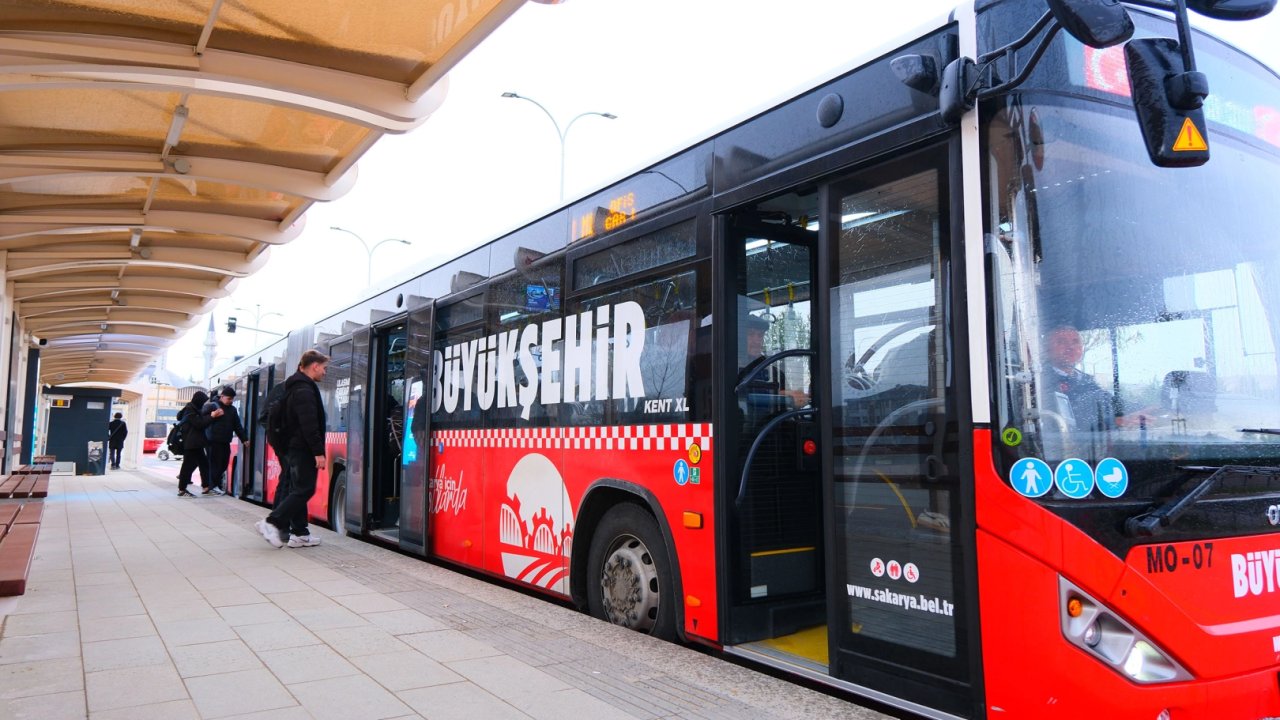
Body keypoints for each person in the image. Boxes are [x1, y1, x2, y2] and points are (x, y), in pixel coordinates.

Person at [257, 349, 329, 549]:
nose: (325, 372)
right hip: (302, 448)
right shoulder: (304, 390)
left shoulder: (293, 386)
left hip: (293, 447)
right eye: (324, 368)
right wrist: (318, 452)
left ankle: (299, 534)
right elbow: (309, 424)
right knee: (304, 489)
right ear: (314, 366)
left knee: (298, 488)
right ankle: (272, 523)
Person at [1043, 325, 1118, 432]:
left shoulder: (1087, 380)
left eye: (1075, 342)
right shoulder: (1040, 381)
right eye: (1061, 342)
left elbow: (1112, 403)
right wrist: (1115, 421)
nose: (1070, 347)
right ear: (1046, 350)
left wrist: (1145, 410)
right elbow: (1072, 419)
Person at [202, 386, 248, 496]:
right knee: (215, 464)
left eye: (232, 399)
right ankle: (213, 486)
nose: (231, 401)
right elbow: (202, 417)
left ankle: (212, 485)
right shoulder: (212, 406)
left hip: (225, 441)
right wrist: (212, 415)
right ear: (222, 397)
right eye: (229, 398)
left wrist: (244, 439)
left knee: (223, 464)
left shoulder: (232, 410)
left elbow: (237, 425)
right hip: (212, 441)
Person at [175, 390, 214, 497]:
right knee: (188, 466)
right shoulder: (190, 410)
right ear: (198, 401)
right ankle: (182, 489)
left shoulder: (193, 409)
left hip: (196, 443)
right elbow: (199, 424)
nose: (204, 404)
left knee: (203, 464)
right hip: (191, 443)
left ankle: (206, 487)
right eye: (203, 401)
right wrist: (212, 416)